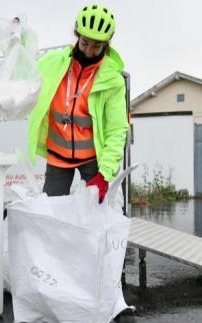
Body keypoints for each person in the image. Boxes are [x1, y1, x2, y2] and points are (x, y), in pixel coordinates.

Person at [27, 4, 128, 203]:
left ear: (106, 44)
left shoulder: (112, 80)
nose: (89, 51)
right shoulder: (54, 62)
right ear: (77, 36)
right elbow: (25, 74)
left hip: (92, 160)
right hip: (57, 155)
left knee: (96, 219)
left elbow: (116, 130)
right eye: (85, 43)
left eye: (97, 46)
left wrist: (105, 174)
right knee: (52, 213)